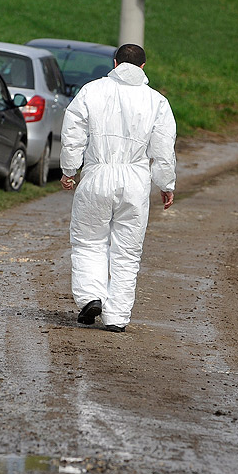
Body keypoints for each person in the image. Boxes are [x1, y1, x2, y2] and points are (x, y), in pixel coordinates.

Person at [60, 44, 177, 333]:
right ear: (143, 67)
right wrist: (166, 183)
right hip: (135, 181)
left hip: (97, 175)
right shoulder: (156, 102)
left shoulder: (92, 90)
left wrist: (69, 169)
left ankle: (90, 296)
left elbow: (73, 130)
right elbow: (163, 148)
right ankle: (117, 317)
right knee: (127, 253)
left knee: (89, 242)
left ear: (114, 63)